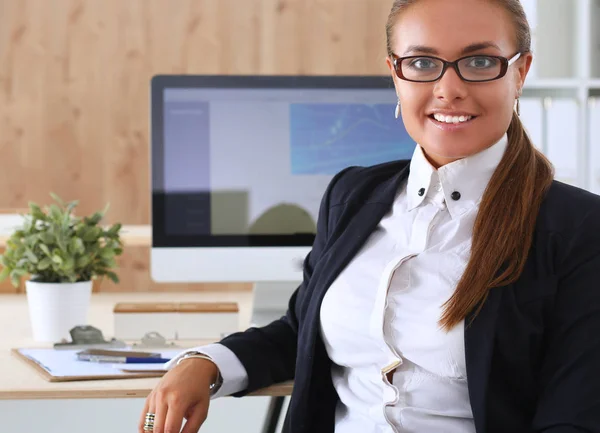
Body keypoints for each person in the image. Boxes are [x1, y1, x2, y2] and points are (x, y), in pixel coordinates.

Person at [140, 0, 600, 432]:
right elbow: (301, 330)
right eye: (421, 63)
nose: (449, 90)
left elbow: (573, 415)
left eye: (480, 62)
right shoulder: (354, 193)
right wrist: (207, 364)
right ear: (395, 74)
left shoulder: (578, 229)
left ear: (519, 72)